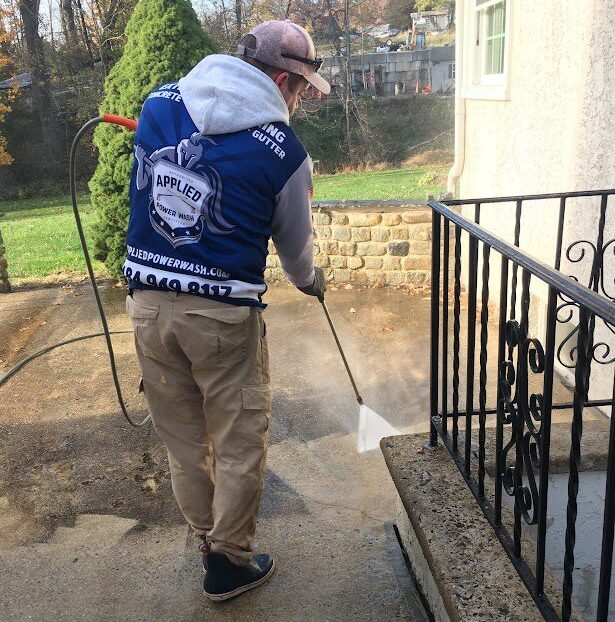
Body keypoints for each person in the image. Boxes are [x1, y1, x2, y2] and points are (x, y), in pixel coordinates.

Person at [123, 20, 330, 601]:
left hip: (148, 308)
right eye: (301, 89)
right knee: (238, 441)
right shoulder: (284, 151)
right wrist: (311, 281)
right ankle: (229, 562)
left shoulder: (159, 103)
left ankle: (205, 540)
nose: (300, 101)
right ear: (285, 81)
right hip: (220, 317)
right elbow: (295, 250)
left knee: (185, 441)